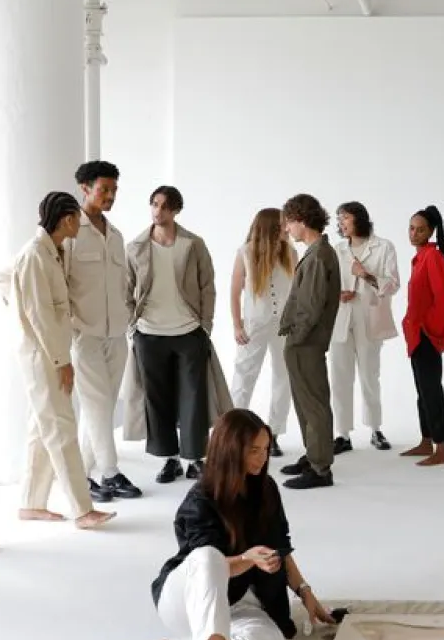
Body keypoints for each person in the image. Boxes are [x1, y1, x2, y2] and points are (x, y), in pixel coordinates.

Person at [107, 409, 335, 640]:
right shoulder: (200, 500)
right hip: (186, 601)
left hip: (238, 601)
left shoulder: (266, 489)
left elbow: (282, 547)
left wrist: (306, 593)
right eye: (253, 450)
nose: (261, 457)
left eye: (265, 449)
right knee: (208, 556)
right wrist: (247, 559)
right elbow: (209, 568)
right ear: (230, 450)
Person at [8, 192, 117, 530]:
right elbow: (38, 315)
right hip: (44, 356)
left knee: (42, 429)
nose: (80, 225)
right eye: (77, 219)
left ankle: (31, 503)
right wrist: (61, 361)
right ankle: (83, 509)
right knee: (61, 428)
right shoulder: (34, 256)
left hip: (50, 352)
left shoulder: (50, 252)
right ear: (68, 219)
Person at [123, 185, 232, 485]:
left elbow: (207, 285)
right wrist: (134, 326)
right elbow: (125, 289)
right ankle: (168, 460)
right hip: (149, 334)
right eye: (154, 204)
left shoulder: (193, 244)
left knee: (194, 398)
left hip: (188, 331)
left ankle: (194, 459)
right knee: (158, 400)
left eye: (164, 206)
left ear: (175, 211)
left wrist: (205, 325)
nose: (158, 211)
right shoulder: (136, 247)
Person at [66, 160, 141, 504]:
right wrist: (68, 323)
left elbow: (124, 283)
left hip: (115, 335)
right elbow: (57, 282)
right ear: (84, 188)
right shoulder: (69, 233)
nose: (110, 196)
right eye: (103, 189)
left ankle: (81, 476)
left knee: (103, 406)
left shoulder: (116, 235)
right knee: (96, 403)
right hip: (85, 334)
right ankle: (111, 473)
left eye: (113, 190)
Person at [276, 193, 341, 490]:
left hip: (307, 341)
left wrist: (296, 337)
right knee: (305, 401)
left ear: (301, 221)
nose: (287, 229)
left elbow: (312, 306)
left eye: (289, 223)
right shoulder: (316, 252)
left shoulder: (318, 256)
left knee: (313, 402)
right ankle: (312, 455)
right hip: (305, 340)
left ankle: (320, 468)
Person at [328, 201, 400, 455]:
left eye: (345, 218)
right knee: (339, 377)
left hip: (369, 317)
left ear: (359, 219)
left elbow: (393, 284)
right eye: (339, 219)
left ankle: (375, 429)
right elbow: (327, 283)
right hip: (341, 317)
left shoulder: (383, 247)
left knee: (370, 375)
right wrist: (337, 293)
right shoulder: (336, 250)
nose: (341, 223)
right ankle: (342, 434)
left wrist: (365, 274)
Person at [229, 207, 295, 458]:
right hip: (254, 325)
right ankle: (234, 434)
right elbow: (234, 291)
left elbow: (296, 289)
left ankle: (274, 433)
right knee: (244, 376)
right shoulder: (245, 252)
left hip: (285, 325)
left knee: (283, 376)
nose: (286, 229)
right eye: (282, 225)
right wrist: (237, 324)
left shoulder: (290, 252)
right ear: (270, 227)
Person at [399, 206, 444, 467]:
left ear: (430, 231)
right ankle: (426, 440)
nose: (414, 233)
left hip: (426, 335)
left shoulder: (432, 256)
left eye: (420, 229)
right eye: (411, 227)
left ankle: (441, 448)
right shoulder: (419, 257)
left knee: (431, 390)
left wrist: (431, 330)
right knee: (422, 390)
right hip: (416, 335)